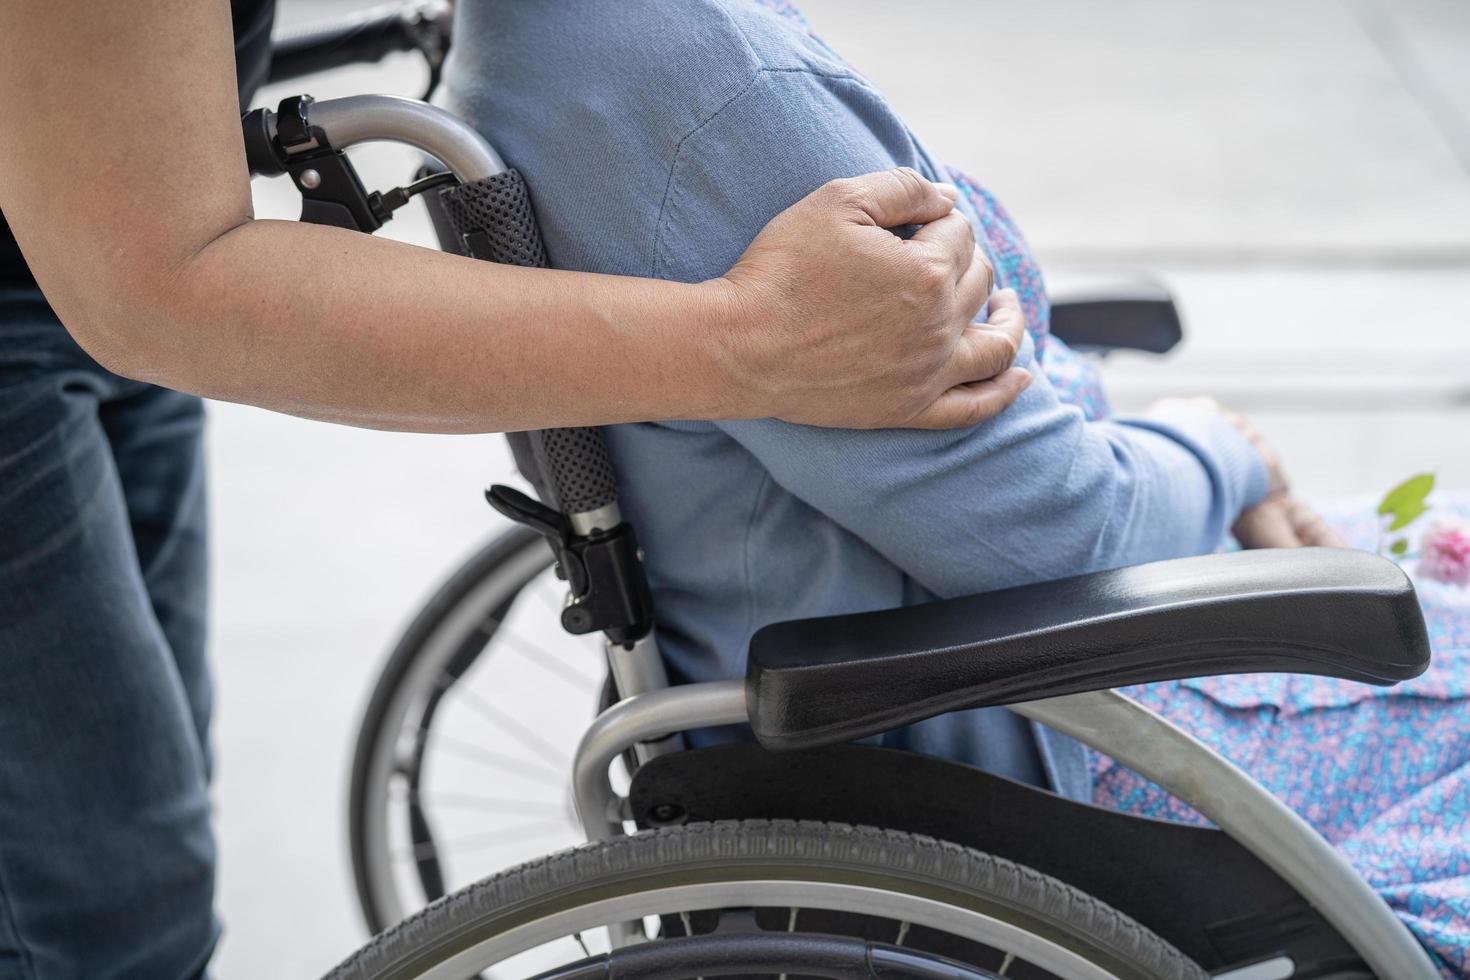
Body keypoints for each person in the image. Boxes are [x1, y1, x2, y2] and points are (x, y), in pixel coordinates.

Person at [0, 0, 1039, 975]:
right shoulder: (705, 87)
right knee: (108, 912)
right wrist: (749, 341)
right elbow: (159, 283)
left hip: (76, 229)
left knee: (121, 847)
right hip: (69, 277)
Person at [441, 0, 1469, 971]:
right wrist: (1223, 445)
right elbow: (1066, 528)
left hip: (908, 685)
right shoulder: (698, 91)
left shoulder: (541, 49)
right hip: (1036, 729)